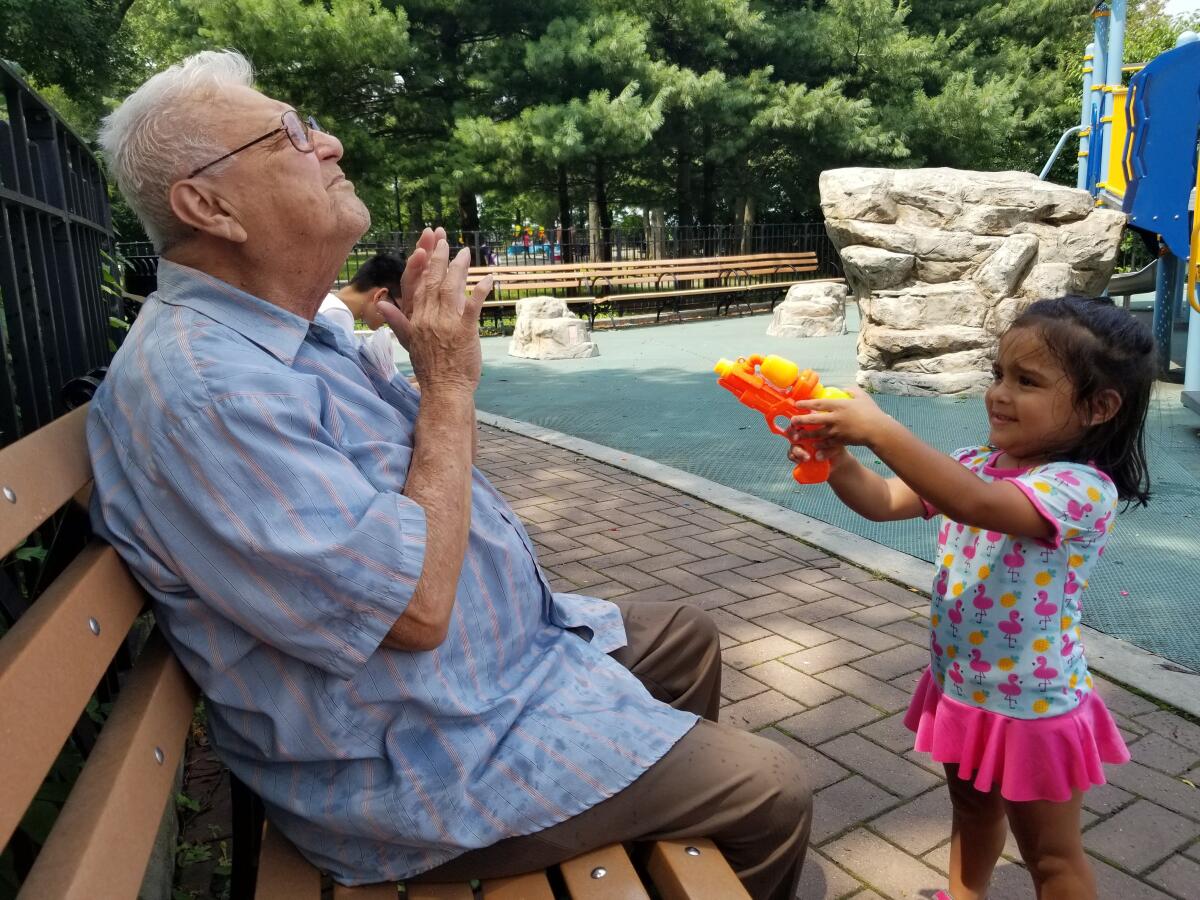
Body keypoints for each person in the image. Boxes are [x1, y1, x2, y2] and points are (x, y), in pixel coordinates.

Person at [88, 51, 811, 897]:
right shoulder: (207, 392)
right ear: (207, 205)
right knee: (769, 790)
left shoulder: (277, 338)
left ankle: (655, 818)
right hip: (412, 764)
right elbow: (416, 608)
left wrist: (430, 378)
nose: (331, 145)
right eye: (290, 132)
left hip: (472, 682)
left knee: (683, 635)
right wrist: (448, 382)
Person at [786, 295, 1152, 900]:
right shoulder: (976, 462)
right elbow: (884, 501)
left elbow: (978, 506)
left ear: (1099, 407)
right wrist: (839, 460)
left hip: (1034, 708)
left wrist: (882, 430)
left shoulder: (1080, 489)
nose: (1000, 393)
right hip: (963, 688)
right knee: (973, 814)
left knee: (1052, 857)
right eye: (998, 374)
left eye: (1026, 381)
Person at [319, 253, 405, 377]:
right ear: (380, 296)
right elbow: (345, 380)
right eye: (398, 310)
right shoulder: (336, 314)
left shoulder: (327, 304)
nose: (392, 321)